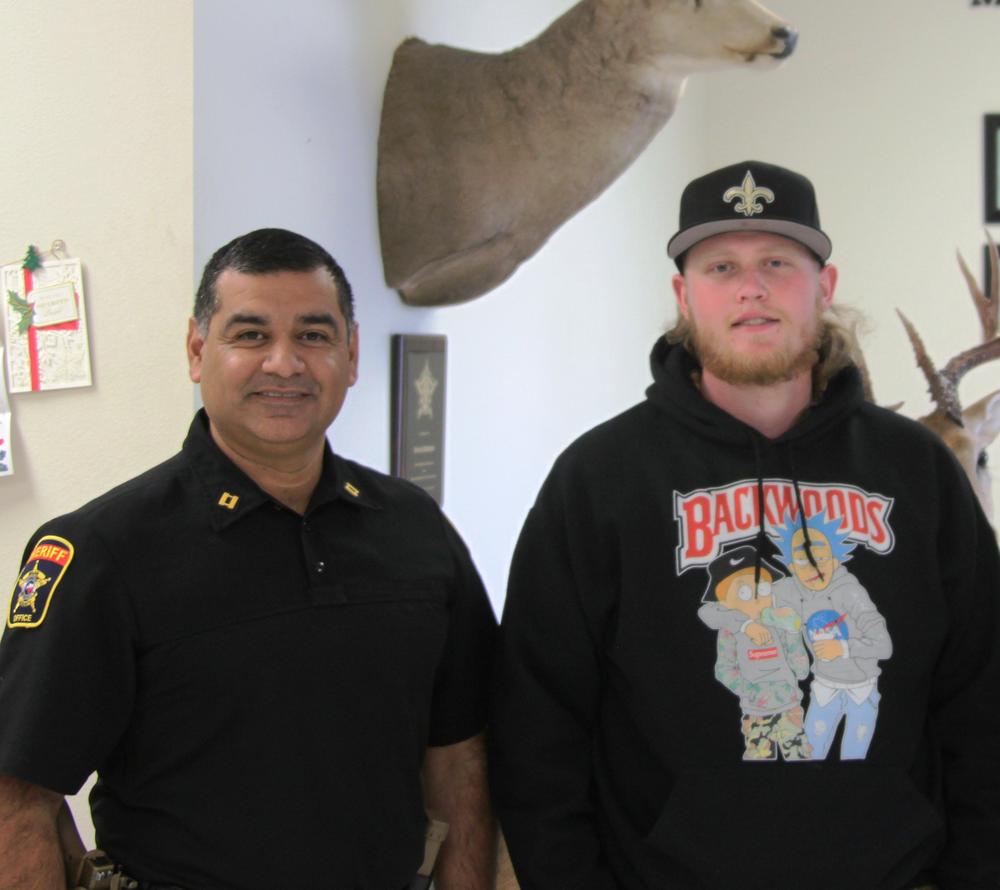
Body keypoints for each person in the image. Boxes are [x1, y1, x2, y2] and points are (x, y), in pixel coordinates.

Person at [490, 161, 1000, 890]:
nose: (751, 287)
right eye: (721, 265)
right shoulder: (599, 478)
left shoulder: (917, 471)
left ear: (823, 288)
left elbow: (982, 701)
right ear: (684, 294)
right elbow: (538, 727)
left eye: (777, 263)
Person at [0, 228, 497, 890]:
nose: (285, 363)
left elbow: (460, 755)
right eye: (251, 335)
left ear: (351, 357)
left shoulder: (414, 529)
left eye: (314, 336)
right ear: (197, 350)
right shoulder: (103, 551)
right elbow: (19, 799)